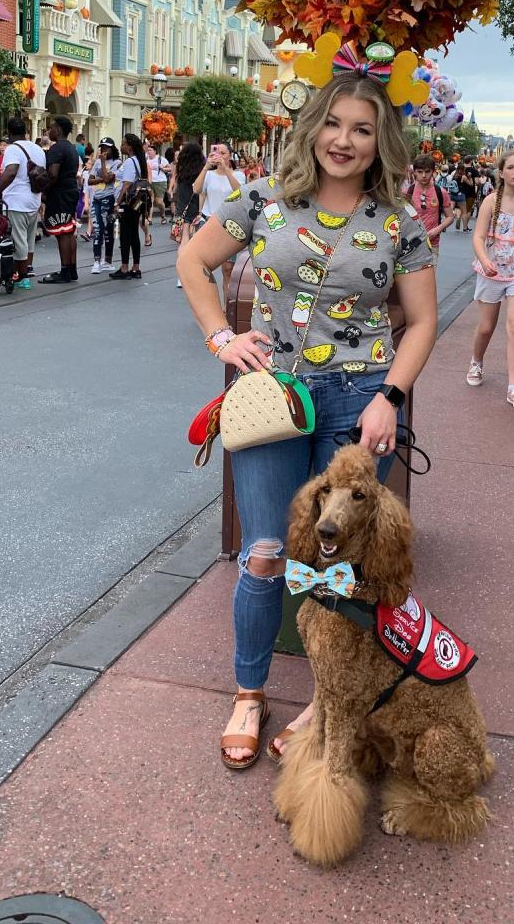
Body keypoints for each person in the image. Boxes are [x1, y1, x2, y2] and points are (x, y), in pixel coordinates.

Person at [176, 63, 437, 769]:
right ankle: (250, 693)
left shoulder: (398, 221)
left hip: (360, 402)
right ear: (311, 126)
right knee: (264, 553)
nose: (343, 141)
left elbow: (420, 322)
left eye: (362, 129)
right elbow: (192, 261)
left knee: (338, 564)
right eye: (333, 123)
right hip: (273, 396)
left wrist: (392, 398)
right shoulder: (263, 199)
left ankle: (328, 702)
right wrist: (222, 338)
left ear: (381, 141)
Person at [467, 152, 514, 408]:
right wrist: (485, 260)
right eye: (511, 167)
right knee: (486, 327)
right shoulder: (490, 201)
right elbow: (478, 237)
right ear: (502, 172)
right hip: (491, 273)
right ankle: (476, 362)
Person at [0, 118, 45, 289]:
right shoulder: (37, 148)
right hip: (34, 199)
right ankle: (27, 269)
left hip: (17, 201)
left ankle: (22, 276)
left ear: (9, 133)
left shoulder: (13, 148)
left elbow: (10, 172)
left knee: (18, 240)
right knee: (29, 238)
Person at [190, 141, 246, 301]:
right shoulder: (209, 175)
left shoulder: (238, 175)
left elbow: (240, 192)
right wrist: (206, 167)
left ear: (230, 155)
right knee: (203, 266)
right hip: (208, 222)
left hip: (230, 225)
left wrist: (226, 170)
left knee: (228, 269)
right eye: (216, 152)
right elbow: (196, 189)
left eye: (223, 153)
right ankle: (207, 304)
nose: (219, 156)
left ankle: (227, 308)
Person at [39, 116, 80, 284]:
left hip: (60, 193)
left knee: (62, 232)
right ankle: (72, 269)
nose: (49, 131)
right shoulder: (72, 148)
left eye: (52, 128)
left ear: (59, 130)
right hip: (71, 190)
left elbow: (53, 174)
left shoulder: (57, 149)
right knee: (69, 231)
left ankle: (64, 271)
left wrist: (44, 190)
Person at [109, 133, 149, 280]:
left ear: (130, 147)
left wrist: (117, 202)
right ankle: (136, 267)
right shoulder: (139, 160)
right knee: (133, 234)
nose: (121, 146)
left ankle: (124, 267)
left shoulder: (130, 162)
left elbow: (127, 184)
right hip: (137, 203)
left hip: (128, 203)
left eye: (123, 143)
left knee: (125, 234)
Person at [173, 141, 205, 288]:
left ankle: (181, 276)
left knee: (183, 242)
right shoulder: (201, 171)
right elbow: (201, 191)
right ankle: (192, 275)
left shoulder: (180, 169)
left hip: (181, 210)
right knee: (195, 244)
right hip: (195, 209)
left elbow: (177, 191)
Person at [406, 154, 454, 250]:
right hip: (410, 244)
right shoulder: (407, 192)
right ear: (414, 172)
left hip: (432, 245)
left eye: (427, 172)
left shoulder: (440, 192)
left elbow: (450, 217)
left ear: (433, 171)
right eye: (420, 172)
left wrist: (438, 229)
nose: (424, 175)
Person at [87, 138, 120, 273]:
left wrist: (101, 163)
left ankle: (107, 261)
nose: (104, 150)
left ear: (112, 149)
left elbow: (108, 179)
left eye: (107, 147)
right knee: (97, 229)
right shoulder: (96, 164)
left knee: (107, 230)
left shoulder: (117, 163)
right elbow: (89, 180)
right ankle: (96, 261)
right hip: (96, 199)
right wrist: (100, 179)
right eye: (102, 147)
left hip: (108, 198)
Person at [145, 143, 171, 239]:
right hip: (149, 182)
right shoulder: (146, 159)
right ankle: (150, 219)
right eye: (148, 150)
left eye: (150, 150)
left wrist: (162, 168)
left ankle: (163, 215)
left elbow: (170, 169)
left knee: (159, 201)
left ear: (155, 151)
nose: (149, 152)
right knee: (150, 200)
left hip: (160, 181)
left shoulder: (161, 159)